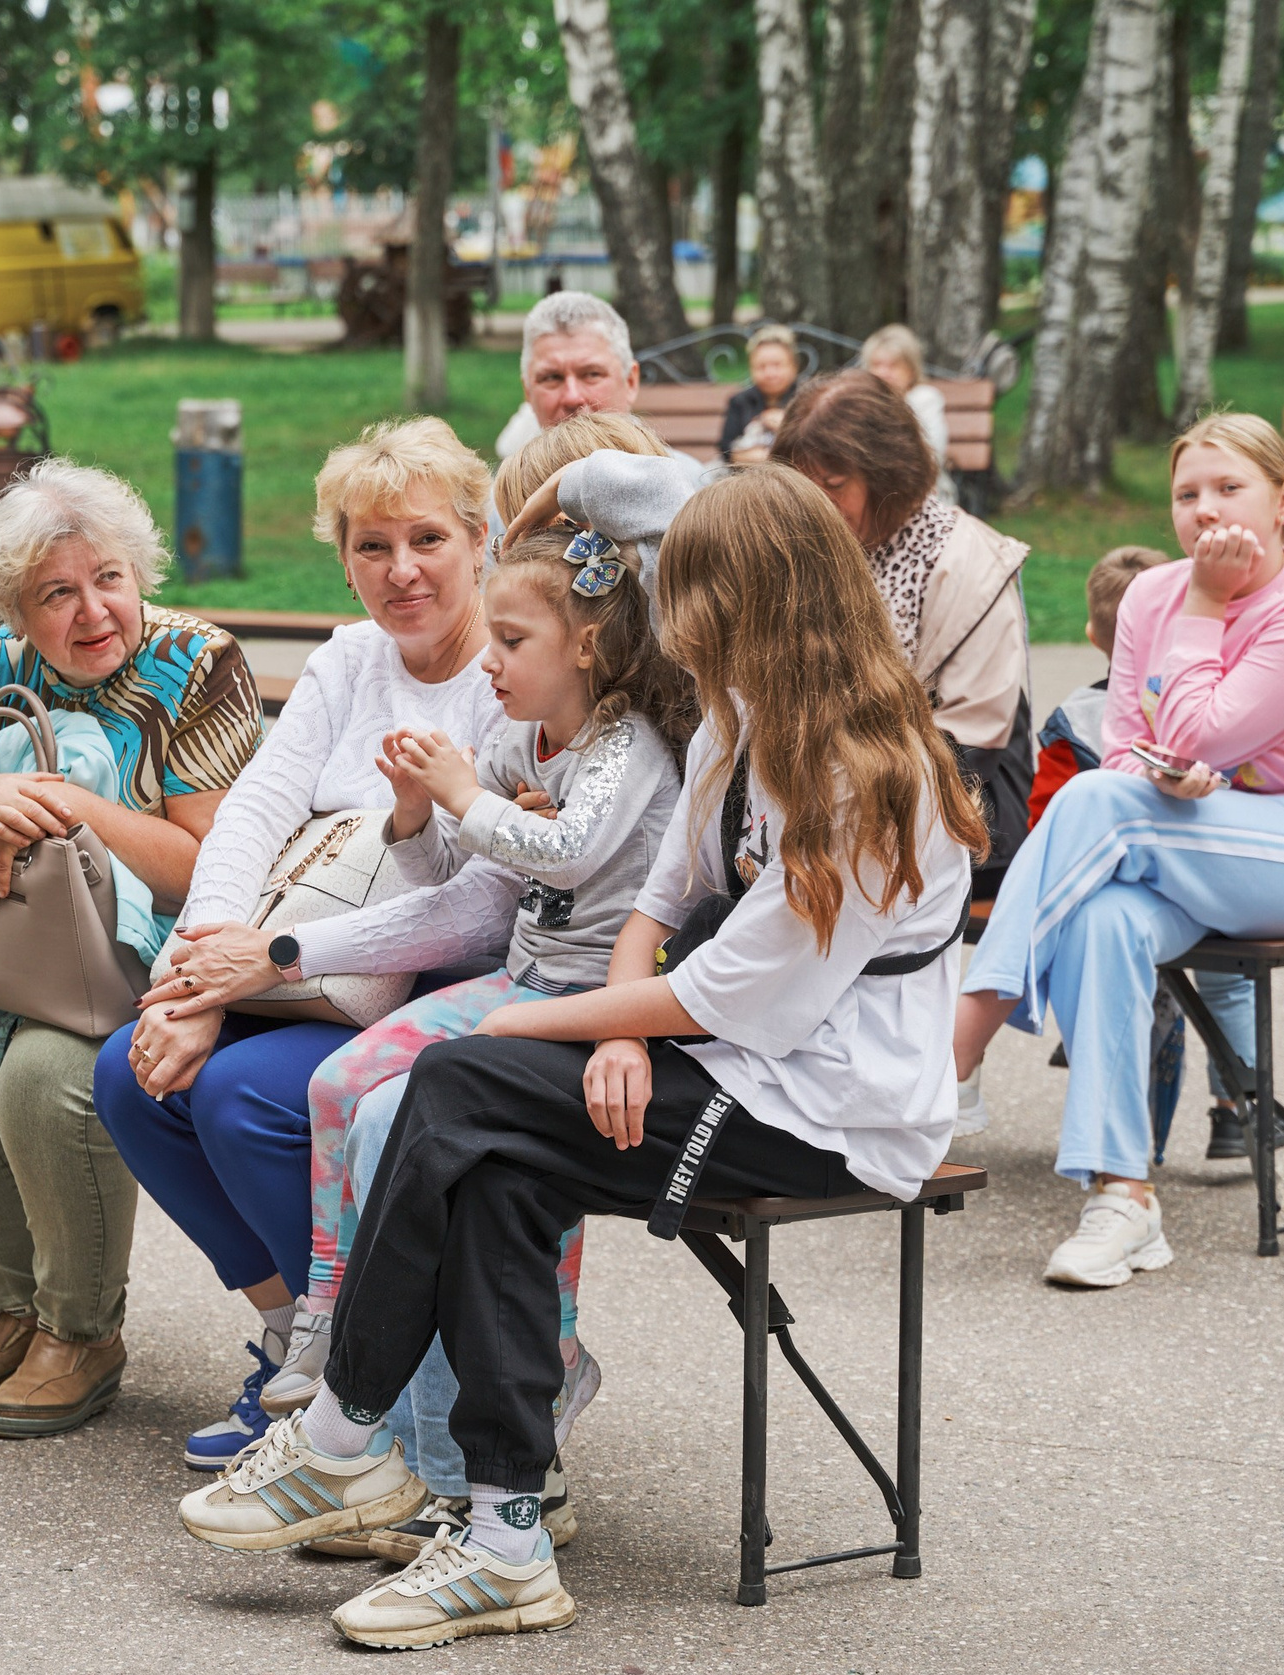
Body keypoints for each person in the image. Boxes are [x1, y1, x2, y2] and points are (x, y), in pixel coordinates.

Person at [172, 465, 984, 1649]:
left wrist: (525, 1024)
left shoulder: (867, 776)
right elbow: (666, 903)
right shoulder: (743, 716)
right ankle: (502, 1535)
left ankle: (345, 1432)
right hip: (732, 1060)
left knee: (454, 1080)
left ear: (752, 600)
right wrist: (611, 1023)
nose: (669, 622)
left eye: (688, 594)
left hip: (827, 1112)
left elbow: (730, 992)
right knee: (496, 1167)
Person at [91, 418, 518, 1469]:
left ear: (479, 541)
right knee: (126, 1071)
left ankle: (361, 1378)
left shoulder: (504, 678)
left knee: (247, 1100)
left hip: (443, 978)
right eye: (370, 547)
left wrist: (272, 959)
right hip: (310, 963)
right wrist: (193, 983)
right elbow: (251, 815)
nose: (400, 570)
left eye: (426, 540)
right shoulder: (355, 658)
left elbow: (484, 906)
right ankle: (296, 1338)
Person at [0, 462, 264, 1436]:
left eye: (108, 580)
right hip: (12, 952)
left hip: (160, 955)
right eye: (56, 594)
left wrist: (66, 808)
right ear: (13, 608)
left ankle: (82, 1332)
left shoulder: (195, 664)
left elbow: (209, 869)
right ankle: (18, 1310)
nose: (92, 614)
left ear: (138, 574)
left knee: (50, 1074)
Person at [952, 414, 1284, 1289]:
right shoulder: (1149, 599)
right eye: (1186, 495)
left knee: (1094, 804)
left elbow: (1200, 729)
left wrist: (1203, 605)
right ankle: (1124, 1199)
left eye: (1229, 489)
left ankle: (955, 1054)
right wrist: (1190, 778)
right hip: (1192, 837)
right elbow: (1127, 749)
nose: (1203, 510)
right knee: (1107, 919)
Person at [262, 524, 694, 1420]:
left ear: (586, 644)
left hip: (593, 1003)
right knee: (339, 1084)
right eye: (491, 637)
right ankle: (327, 1308)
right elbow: (449, 875)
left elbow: (569, 853)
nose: (489, 662)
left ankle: (556, 1355)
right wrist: (417, 815)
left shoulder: (630, 744)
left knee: (522, 1169)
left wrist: (467, 796)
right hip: (523, 983)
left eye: (512, 640)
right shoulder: (518, 742)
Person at [506, 368, 1035, 890]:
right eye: (805, 485)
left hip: (923, 793)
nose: (817, 502)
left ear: (889, 475)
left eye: (833, 484)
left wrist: (861, 772)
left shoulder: (967, 562)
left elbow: (970, 736)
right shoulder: (793, 544)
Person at [966, 544, 1260, 1164]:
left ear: (1095, 634)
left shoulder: (1072, 719)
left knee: (1131, 994)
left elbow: (1046, 821)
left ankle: (1134, 1146)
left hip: (1102, 892)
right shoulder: (1216, 701)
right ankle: (1240, 1111)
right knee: (1226, 986)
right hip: (1205, 884)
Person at [493, 290, 645, 464]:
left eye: (592, 374)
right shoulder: (503, 485)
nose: (572, 398)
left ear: (630, 382)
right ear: (528, 392)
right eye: (552, 378)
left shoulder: (680, 484)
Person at [862, 324, 955, 504]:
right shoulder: (862, 402)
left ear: (911, 369)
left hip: (922, 492)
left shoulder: (924, 399)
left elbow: (932, 454)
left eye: (893, 366)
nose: (883, 373)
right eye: (877, 365)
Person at [717, 323, 800, 463]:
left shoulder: (806, 399)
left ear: (794, 367)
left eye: (777, 365)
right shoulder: (740, 401)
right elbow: (726, 448)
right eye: (761, 367)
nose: (769, 373)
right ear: (751, 369)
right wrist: (742, 457)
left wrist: (786, 426)